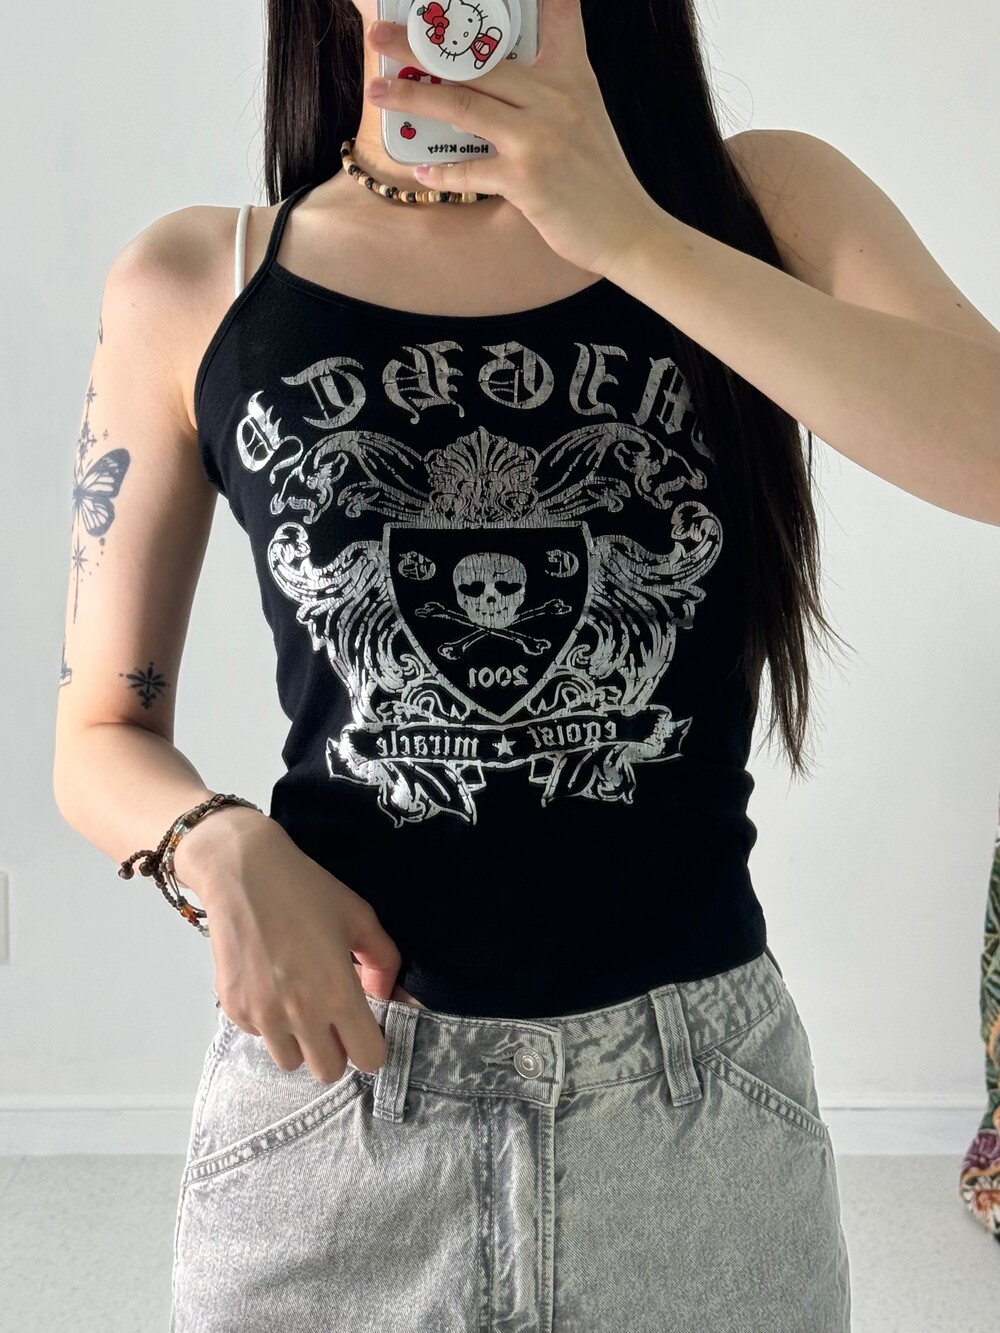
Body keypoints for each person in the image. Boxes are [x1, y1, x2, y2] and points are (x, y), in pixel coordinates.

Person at [52, 1, 1000, 1329]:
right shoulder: (199, 280)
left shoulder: (759, 203)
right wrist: (216, 843)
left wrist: (623, 230)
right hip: (338, 1110)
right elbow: (98, 731)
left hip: (699, 1121)